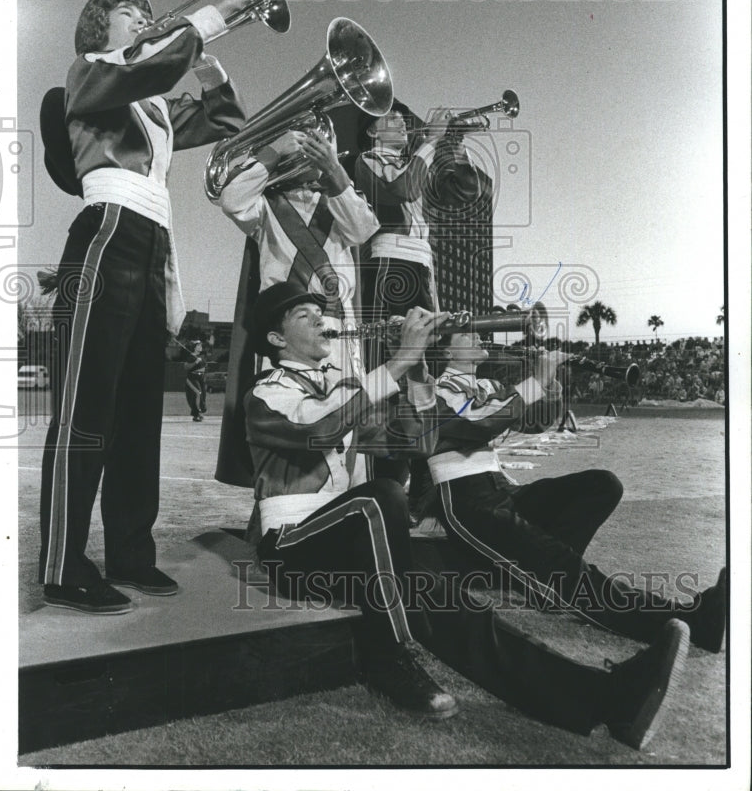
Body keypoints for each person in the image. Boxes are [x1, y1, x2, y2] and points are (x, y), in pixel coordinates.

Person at [241, 281, 693, 750]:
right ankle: (388, 654)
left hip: (359, 543)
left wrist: (414, 365)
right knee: (381, 496)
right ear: (277, 341)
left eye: (321, 311)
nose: (322, 320)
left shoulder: (348, 387)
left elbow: (417, 442)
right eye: (304, 316)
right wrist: (395, 362)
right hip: (291, 546)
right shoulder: (267, 393)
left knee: (457, 607)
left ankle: (607, 699)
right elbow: (315, 427)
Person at [38, 0, 268, 614]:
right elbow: (146, 72)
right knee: (87, 410)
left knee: (139, 412)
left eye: (144, 10)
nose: (141, 16)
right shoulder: (87, 71)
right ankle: (61, 564)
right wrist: (212, 16)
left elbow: (228, 121)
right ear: (98, 27)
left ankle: (130, 554)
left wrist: (213, 68)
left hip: (152, 239)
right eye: (126, 11)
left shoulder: (151, 103)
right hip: (106, 233)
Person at [417, 329, 727, 652]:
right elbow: (478, 421)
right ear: (448, 354)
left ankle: (549, 587)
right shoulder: (437, 392)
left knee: (603, 485)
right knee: (562, 562)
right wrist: (534, 381)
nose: (478, 338)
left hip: (502, 488)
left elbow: (535, 422)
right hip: (466, 501)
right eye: (466, 337)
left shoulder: (488, 386)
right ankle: (692, 621)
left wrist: (548, 383)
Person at [214, 125, 380, 487]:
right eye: (304, 146)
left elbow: (364, 229)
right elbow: (230, 200)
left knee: (348, 416)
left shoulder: (338, 198)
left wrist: (335, 170)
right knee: (293, 418)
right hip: (288, 332)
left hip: (339, 328)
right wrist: (272, 152)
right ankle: (287, 503)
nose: (311, 152)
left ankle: (352, 499)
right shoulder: (265, 205)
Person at [355, 100, 485, 508]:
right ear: (372, 132)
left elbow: (467, 191)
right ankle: (387, 482)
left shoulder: (418, 161)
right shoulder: (364, 159)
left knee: (423, 375)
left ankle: (426, 479)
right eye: (389, 118)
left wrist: (455, 149)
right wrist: (430, 143)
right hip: (390, 265)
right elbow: (398, 191)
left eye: (401, 119)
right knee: (392, 370)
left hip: (422, 265)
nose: (399, 122)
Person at [184, 340, 207, 422]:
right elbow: (186, 367)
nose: (200, 347)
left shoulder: (202, 355)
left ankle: (197, 414)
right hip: (192, 377)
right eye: (198, 345)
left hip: (201, 377)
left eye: (201, 345)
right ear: (194, 347)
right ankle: (198, 413)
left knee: (203, 395)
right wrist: (195, 362)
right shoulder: (191, 356)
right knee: (198, 393)